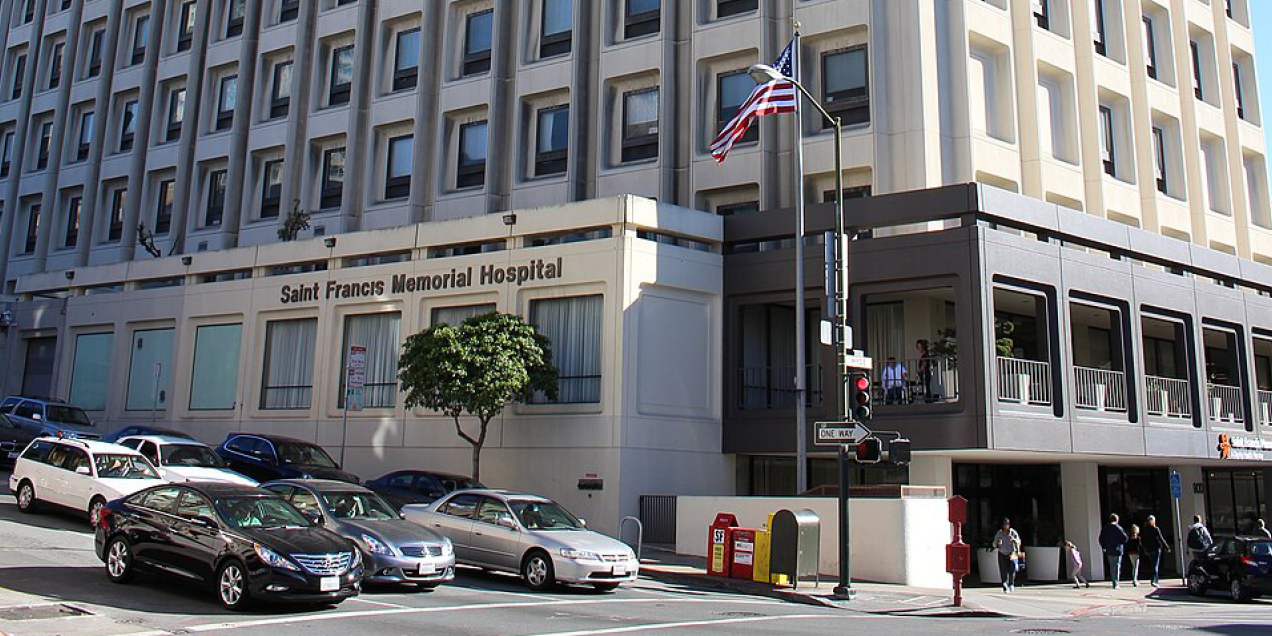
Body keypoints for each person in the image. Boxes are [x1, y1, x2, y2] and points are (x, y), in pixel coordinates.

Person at [1098, 513, 1128, 588]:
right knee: (1117, 566)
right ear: (1117, 519)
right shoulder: (1118, 528)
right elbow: (1125, 538)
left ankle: (1113, 581)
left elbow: (1101, 538)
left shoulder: (1105, 528)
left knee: (1112, 566)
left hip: (1109, 549)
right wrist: (1120, 543)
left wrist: (1104, 546)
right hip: (1118, 549)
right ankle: (1116, 582)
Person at [993, 518, 1022, 593]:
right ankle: (1005, 585)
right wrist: (998, 543)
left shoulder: (1013, 532)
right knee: (1003, 570)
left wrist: (1014, 540)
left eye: (1007, 524)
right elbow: (994, 544)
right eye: (1005, 524)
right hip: (1002, 553)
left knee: (1012, 570)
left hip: (1012, 553)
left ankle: (1011, 584)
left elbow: (1019, 541)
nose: (1006, 526)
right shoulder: (999, 533)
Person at [1141, 515, 1170, 587]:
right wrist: (1167, 547)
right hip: (1156, 549)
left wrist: (1144, 549)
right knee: (1155, 565)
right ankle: (1154, 581)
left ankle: (1154, 580)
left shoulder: (1145, 530)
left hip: (1148, 549)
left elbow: (1143, 541)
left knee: (1152, 565)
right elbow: (1161, 538)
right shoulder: (1155, 529)